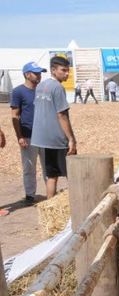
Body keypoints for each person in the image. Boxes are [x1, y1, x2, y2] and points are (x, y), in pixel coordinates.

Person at [31, 56, 77, 199]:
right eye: (63, 70)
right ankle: (79, 203)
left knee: (51, 175)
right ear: (53, 70)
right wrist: (71, 139)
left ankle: (50, 205)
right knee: (74, 173)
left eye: (68, 71)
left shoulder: (40, 86)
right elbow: (61, 115)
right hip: (57, 138)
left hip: (42, 138)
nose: (67, 74)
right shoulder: (58, 87)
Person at [10, 61, 48, 205]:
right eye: (36, 73)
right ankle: (30, 195)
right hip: (28, 135)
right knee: (29, 167)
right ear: (27, 74)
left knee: (48, 166)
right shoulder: (18, 91)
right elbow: (15, 115)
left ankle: (51, 194)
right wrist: (19, 136)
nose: (39, 76)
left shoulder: (44, 90)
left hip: (45, 135)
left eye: (40, 73)